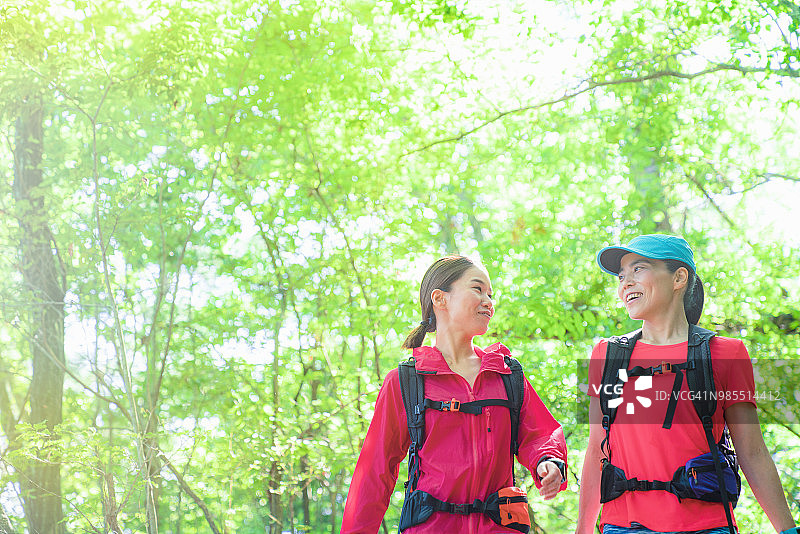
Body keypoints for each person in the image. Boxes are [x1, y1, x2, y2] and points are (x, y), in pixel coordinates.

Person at [576, 234, 798, 534]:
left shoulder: (725, 354)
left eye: (638, 269)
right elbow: (595, 453)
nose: (625, 282)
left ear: (679, 277)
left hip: (708, 526)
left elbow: (753, 452)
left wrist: (786, 530)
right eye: (621, 276)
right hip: (624, 526)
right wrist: (583, 530)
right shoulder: (607, 355)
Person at [341, 255, 568, 533]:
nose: (489, 301)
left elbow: (541, 433)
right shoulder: (406, 381)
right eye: (477, 289)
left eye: (491, 294)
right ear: (440, 299)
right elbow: (373, 475)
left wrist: (548, 461)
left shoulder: (507, 375)